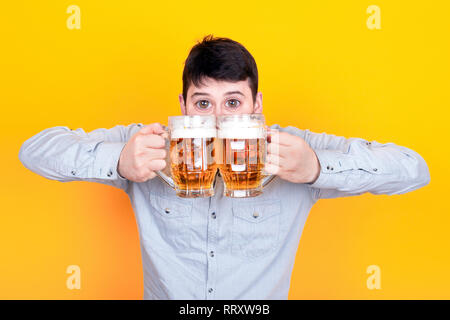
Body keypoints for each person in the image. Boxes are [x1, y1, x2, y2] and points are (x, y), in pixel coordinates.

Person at [18, 35, 430, 299]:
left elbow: (414, 169)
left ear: (257, 105)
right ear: (183, 107)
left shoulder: (293, 150)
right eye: (203, 103)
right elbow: (34, 150)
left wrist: (319, 168)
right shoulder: (150, 144)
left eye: (233, 102)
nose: (217, 119)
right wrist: (118, 161)